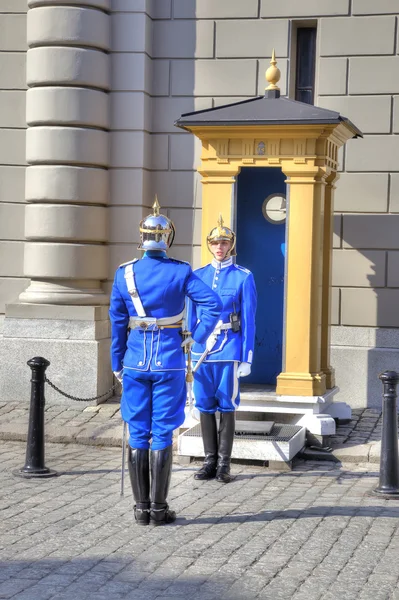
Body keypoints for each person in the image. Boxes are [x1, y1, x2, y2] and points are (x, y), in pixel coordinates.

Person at [109, 198, 222, 526]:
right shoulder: (180, 271)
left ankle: (140, 509)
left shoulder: (124, 273)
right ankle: (159, 509)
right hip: (170, 361)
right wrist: (195, 337)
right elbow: (213, 305)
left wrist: (118, 362)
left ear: (141, 238)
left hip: (134, 362)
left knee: (138, 433)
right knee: (161, 434)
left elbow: (117, 322)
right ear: (167, 238)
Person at [189, 215, 257, 484]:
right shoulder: (197, 276)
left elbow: (249, 319)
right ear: (209, 245)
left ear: (231, 245)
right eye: (215, 242)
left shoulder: (243, 277)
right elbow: (190, 317)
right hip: (202, 349)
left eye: (224, 242)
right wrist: (194, 343)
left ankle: (224, 465)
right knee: (205, 404)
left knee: (226, 404)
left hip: (229, 347)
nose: (220, 247)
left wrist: (247, 356)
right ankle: (209, 461)